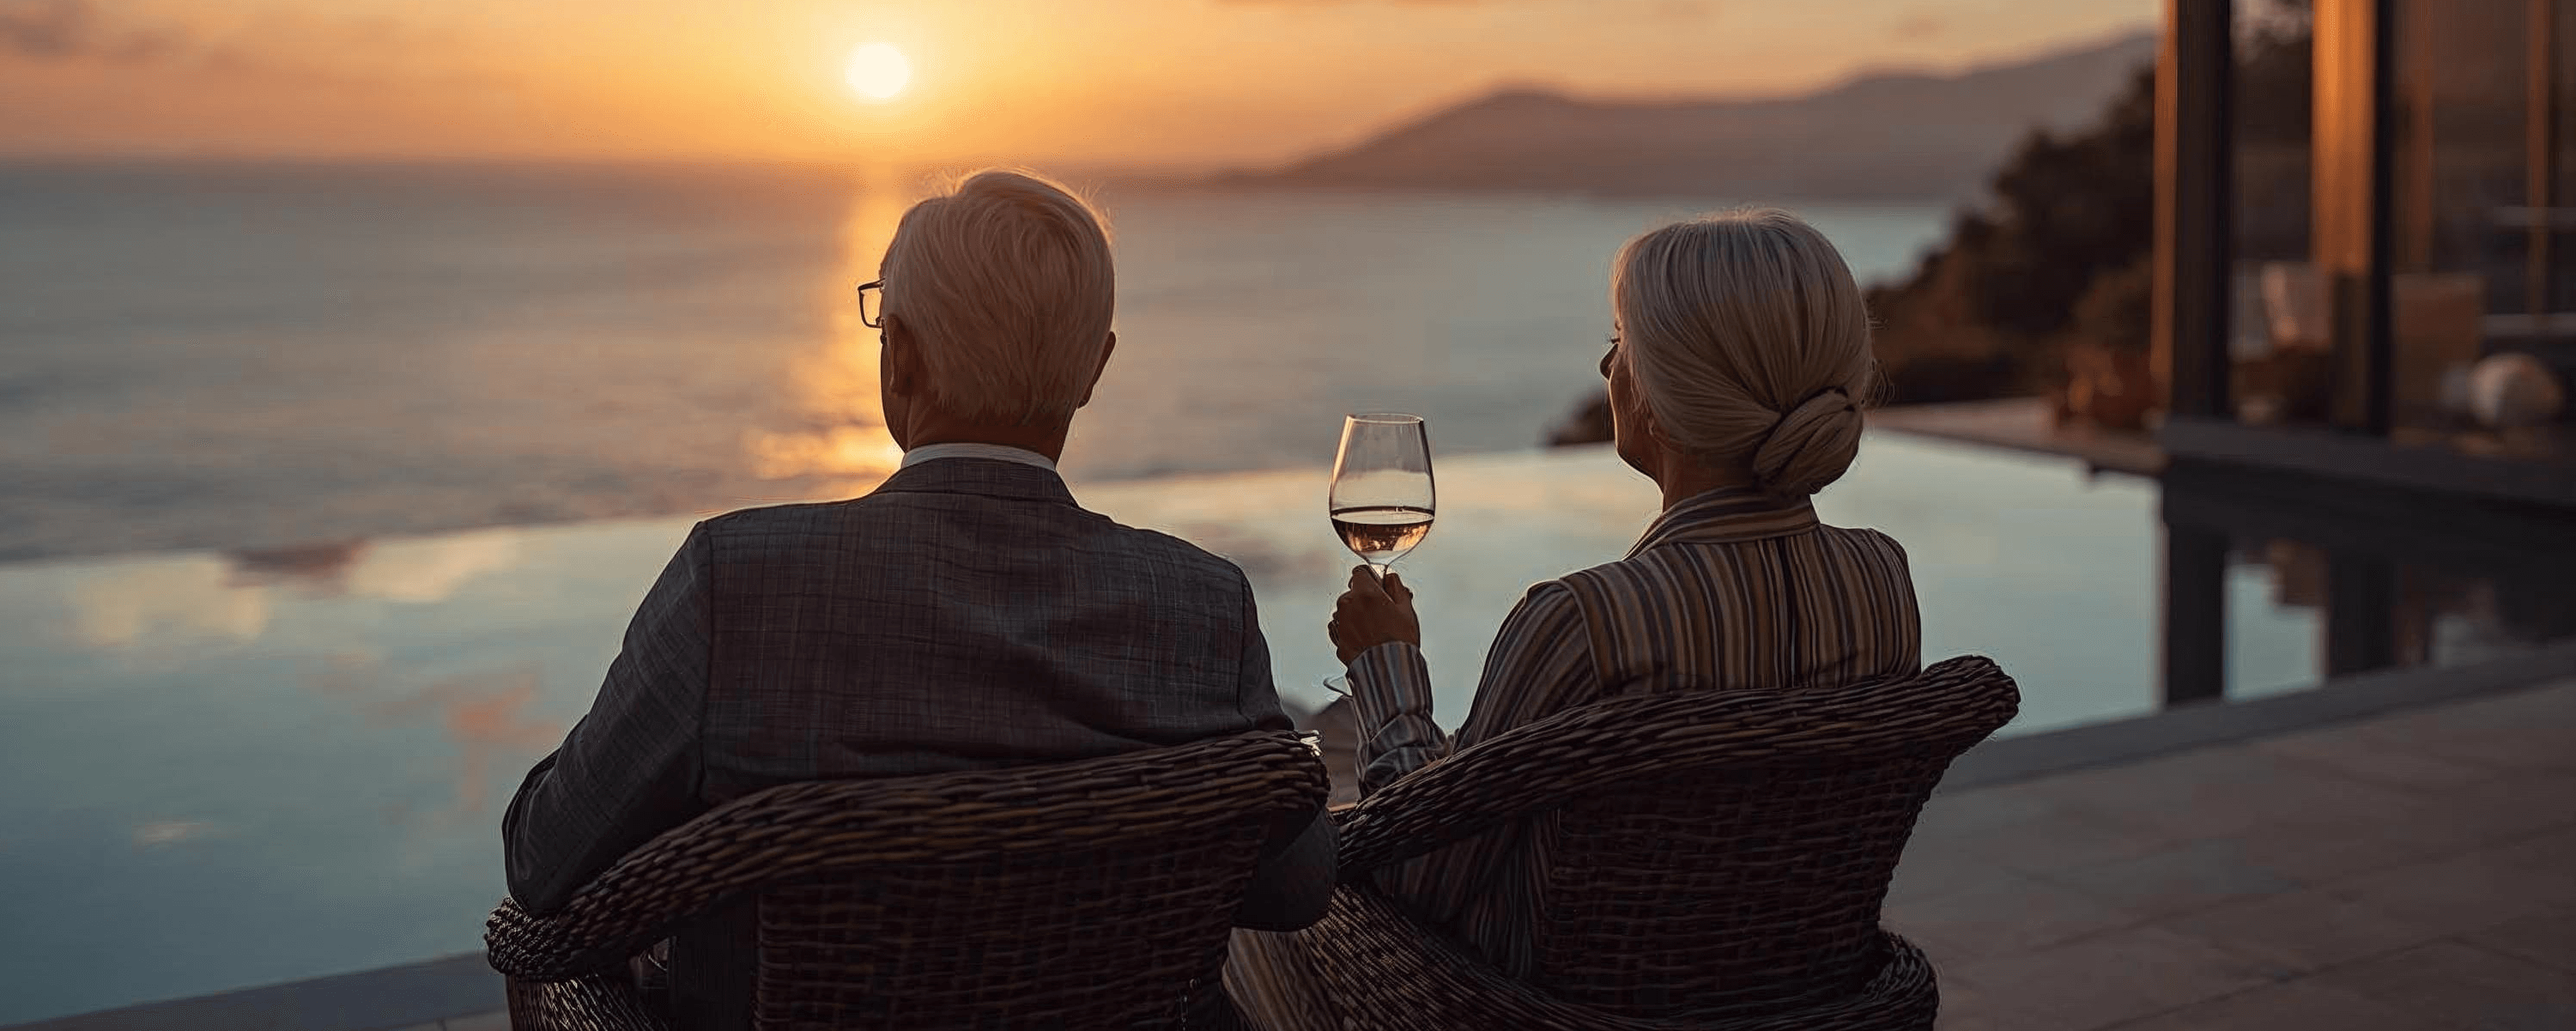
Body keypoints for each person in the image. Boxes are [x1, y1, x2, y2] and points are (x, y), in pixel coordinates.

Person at [505, 168, 1334, 1023]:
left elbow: (543, 861)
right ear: (1094, 368)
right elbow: (1297, 887)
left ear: (897, 354)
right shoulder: (1203, 606)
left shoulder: (740, 581)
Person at [1227, 207, 1920, 1027]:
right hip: (1800, 999)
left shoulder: (1587, 619)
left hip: (1513, 1004)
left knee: (1251, 859)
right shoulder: (1883, 576)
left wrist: (1388, 668)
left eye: (1622, 340)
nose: (1605, 362)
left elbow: (1425, 876)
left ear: (1662, 398)